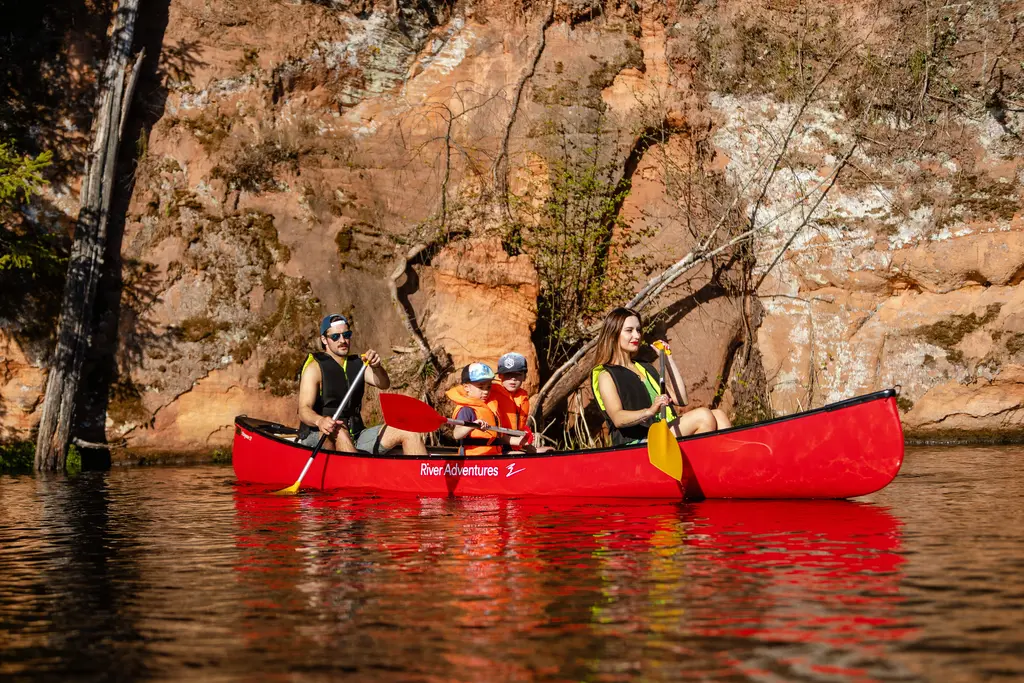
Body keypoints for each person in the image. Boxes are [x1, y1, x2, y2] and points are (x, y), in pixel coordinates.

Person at [590, 307, 731, 445]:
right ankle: (703, 465)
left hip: (661, 432)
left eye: (638, 330)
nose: (637, 336)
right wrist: (649, 411)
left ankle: (730, 465)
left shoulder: (644, 368)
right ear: (613, 335)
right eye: (629, 331)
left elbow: (681, 399)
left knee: (719, 415)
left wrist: (668, 359)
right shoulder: (606, 375)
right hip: (637, 441)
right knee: (703, 416)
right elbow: (617, 418)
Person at [297, 314, 427, 455]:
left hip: (356, 434)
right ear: (324, 340)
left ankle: (423, 477)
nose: (342, 340)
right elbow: (304, 410)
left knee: (409, 431)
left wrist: (377, 367)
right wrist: (320, 421)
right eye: (335, 337)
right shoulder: (314, 368)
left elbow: (383, 384)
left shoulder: (358, 364)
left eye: (346, 335)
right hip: (320, 436)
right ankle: (357, 473)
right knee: (339, 431)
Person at [446, 363, 526, 456]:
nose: (486, 392)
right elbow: (457, 434)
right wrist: (473, 425)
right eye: (481, 387)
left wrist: (520, 441)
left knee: (521, 454)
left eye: (488, 387)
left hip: (494, 454)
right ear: (466, 387)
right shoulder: (466, 410)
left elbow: (498, 437)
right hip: (476, 458)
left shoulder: (490, 407)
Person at [488, 352, 552, 453]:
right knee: (521, 456)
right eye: (508, 375)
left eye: (517, 375)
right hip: (496, 446)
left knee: (549, 452)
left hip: (513, 445)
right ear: (500, 376)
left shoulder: (522, 397)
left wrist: (528, 446)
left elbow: (519, 428)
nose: (513, 379)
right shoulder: (491, 394)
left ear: (524, 377)